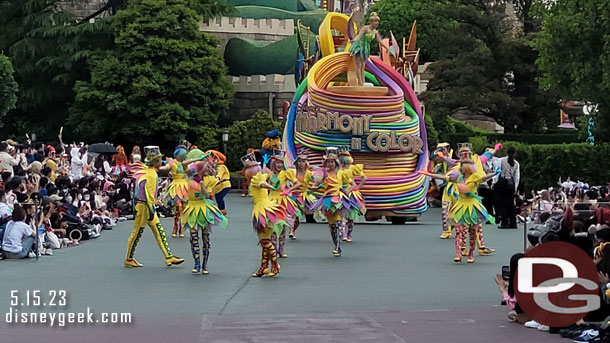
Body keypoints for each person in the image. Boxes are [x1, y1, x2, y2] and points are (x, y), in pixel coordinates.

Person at [124, 146, 184, 268]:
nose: (161, 161)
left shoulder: (148, 171)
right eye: (159, 159)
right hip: (145, 207)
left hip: (146, 206)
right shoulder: (151, 175)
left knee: (159, 231)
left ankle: (168, 257)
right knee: (137, 233)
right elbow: (148, 195)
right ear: (155, 161)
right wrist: (154, 208)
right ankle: (129, 258)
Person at [242, 152, 286, 277]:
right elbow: (265, 175)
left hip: (262, 209)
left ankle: (275, 265)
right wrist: (265, 164)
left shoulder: (255, 179)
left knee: (265, 241)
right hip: (267, 207)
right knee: (264, 240)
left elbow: (262, 184)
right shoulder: (260, 176)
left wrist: (272, 187)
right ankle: (264, 267)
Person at [182, 160, 228, 274]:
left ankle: (204, 265)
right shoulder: (191, 176)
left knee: (205, 237)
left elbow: (207, 195)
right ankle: (196, 263)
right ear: (201, 168)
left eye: (209, 168)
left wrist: (202, 185)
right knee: (193, 237)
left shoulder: (210, 180)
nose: (208, 170)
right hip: (192, 208)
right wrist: (198, 159)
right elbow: (184, 164)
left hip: (204, 208)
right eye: (206, 168)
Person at [311, 148, 354, 257]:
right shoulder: (323, 174)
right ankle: (335, 243)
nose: (330, 164)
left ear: (336, 163)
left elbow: (352, 184)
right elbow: (316, 185)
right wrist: (312, 188)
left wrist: (345, 192)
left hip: (338, 199)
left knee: (339, 222)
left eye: (332, 162)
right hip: (327, 201)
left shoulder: (341, 173)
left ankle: (338, 247)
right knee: (332, 225)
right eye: (328, 162)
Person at [267, 150, 301, 258]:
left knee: (282, 227)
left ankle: (281, 250)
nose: (279, 165)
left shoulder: (286, 174)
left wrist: (288, 190)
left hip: (283, 201)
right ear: (273, 163)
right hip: (271, 201)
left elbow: (298, 183)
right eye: (277, 163)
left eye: (281, 163)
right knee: (272, 226)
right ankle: (274, 249)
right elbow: (261, 184)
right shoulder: (269, 174)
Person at [348, 12, 389, 86]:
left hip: (366, 48)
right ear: (371, 22)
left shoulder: (375, 32)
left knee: (363, 66)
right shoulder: (365, 28)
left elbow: (379, 41)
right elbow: (359, 36)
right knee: (358, 65)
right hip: (360, 47)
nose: (377, 23)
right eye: (375, 21)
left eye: (377, 21)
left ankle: (363, 83)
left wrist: (386, 47)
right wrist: (354, 40)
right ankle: (360, 83)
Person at [338, 147, 366, 242]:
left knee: (351, 217)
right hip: (341, 193)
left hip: (351, 194)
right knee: (342, 215)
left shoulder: (353, 168)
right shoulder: (339, 169)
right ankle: (344, 234)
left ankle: (349, 234)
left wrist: (357, 187)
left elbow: (364, 178)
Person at [291, 151, 316, 239]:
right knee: (294, 214)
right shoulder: (293, 172)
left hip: (302, 196)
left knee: (298, 216)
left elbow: (314, 183)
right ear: (297, 162)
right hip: (292, 196)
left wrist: (313, 189)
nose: (301, 163)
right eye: (300, 161)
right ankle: (291, 231)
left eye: (303, 161)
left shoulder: (309, 173)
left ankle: (293, 230)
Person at [495, 146, 520, 228]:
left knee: (502, 204)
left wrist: (493, 183)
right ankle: (513, 222)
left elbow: (497, 172)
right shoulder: (516, 163)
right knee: (511, 204)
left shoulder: (501, 160)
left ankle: (504, 222)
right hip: (511, 184)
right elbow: (517, 176)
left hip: (502, 183)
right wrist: (515, 187)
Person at [208, 150, 231, 216]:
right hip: (218, 186)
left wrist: (217, 178)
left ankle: (222, 210)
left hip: (224, 185)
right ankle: (218, 209)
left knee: (219, 197)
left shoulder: (221, 166)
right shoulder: (215, 167)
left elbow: (219, 173)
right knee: (217, 197)